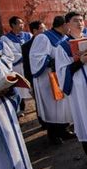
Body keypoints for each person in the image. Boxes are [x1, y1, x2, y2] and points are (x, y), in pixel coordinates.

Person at [55, 12, 87, 165]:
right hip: (80, 91)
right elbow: (62, 71)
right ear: (68, 25)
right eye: (75, 21)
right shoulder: (62, 47)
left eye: (81, 20)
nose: (80, 23)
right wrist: (79, 62)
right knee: (85, 119)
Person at [30, 16, 74, 144]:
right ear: (63, 25)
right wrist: (52, 61)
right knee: (53, 107)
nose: (70, 28)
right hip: (48, 79)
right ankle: (53, 134)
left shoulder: (65, 37)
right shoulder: (43, 37)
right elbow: (35, 58)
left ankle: (63, 130)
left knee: (63, 106)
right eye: (69, 25)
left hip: (61, 76)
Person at [0, 16, 33, 110]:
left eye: (22, 23)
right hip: (18, 66)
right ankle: (21, 107)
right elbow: (11, 53)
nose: (22, 25)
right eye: (19, 23)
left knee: (31, 85)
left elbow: (33, 48)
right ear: (13, 25)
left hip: (29, 65)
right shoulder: (5, 38)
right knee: (20, 87)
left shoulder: (28, 35)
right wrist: (26, 56)